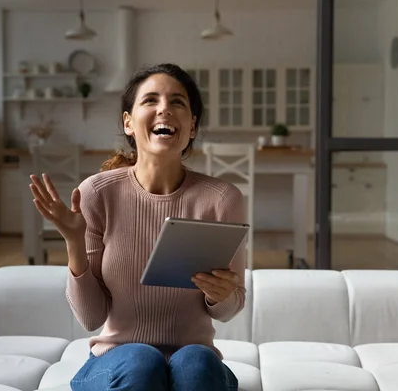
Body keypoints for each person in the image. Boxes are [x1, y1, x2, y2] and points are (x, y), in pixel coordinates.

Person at [29, 63, 246, 391]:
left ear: (192, 127)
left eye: (178, 102)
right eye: (150, 100)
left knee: (197, 361)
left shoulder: (222, 199)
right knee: (142, 361)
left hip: (195, 367)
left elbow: (228, 310)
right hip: (117, 362)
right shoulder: (97, 194)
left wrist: (223, 295)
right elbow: (91, 319)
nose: (164, 109)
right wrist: (74, 242)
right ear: (128, 123)